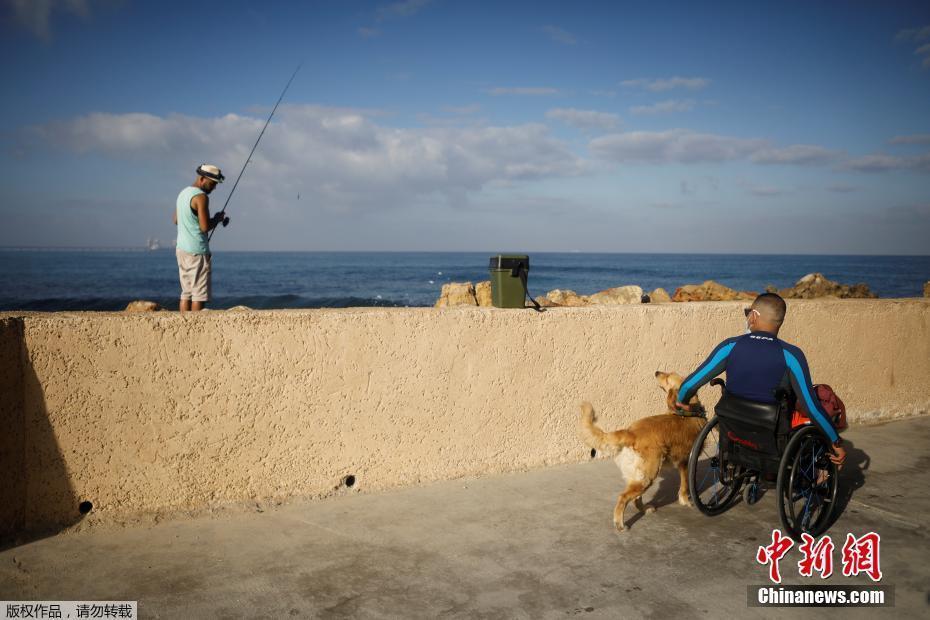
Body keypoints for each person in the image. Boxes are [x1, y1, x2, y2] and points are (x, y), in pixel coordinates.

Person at [675, 292, 846, 467]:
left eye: (748, 312)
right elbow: (812, 408)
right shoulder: (791, 356)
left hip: (733, 428)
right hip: (771, 433)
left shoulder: (730, 347)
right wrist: (835, 441)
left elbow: (689, 384)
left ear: (754, 316)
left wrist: (682, 401)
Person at [173, 164, 230, 312]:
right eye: (212, 184)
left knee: (186, 293)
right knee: (198, 295)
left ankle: (184, 327)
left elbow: (175, 219)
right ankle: (195, 329)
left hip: (181, 250)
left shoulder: (183, 193)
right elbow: (205, 227)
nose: (214, 188)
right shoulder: (201, 197)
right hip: (197, 252)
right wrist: (217, 219)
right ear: (202, 179)